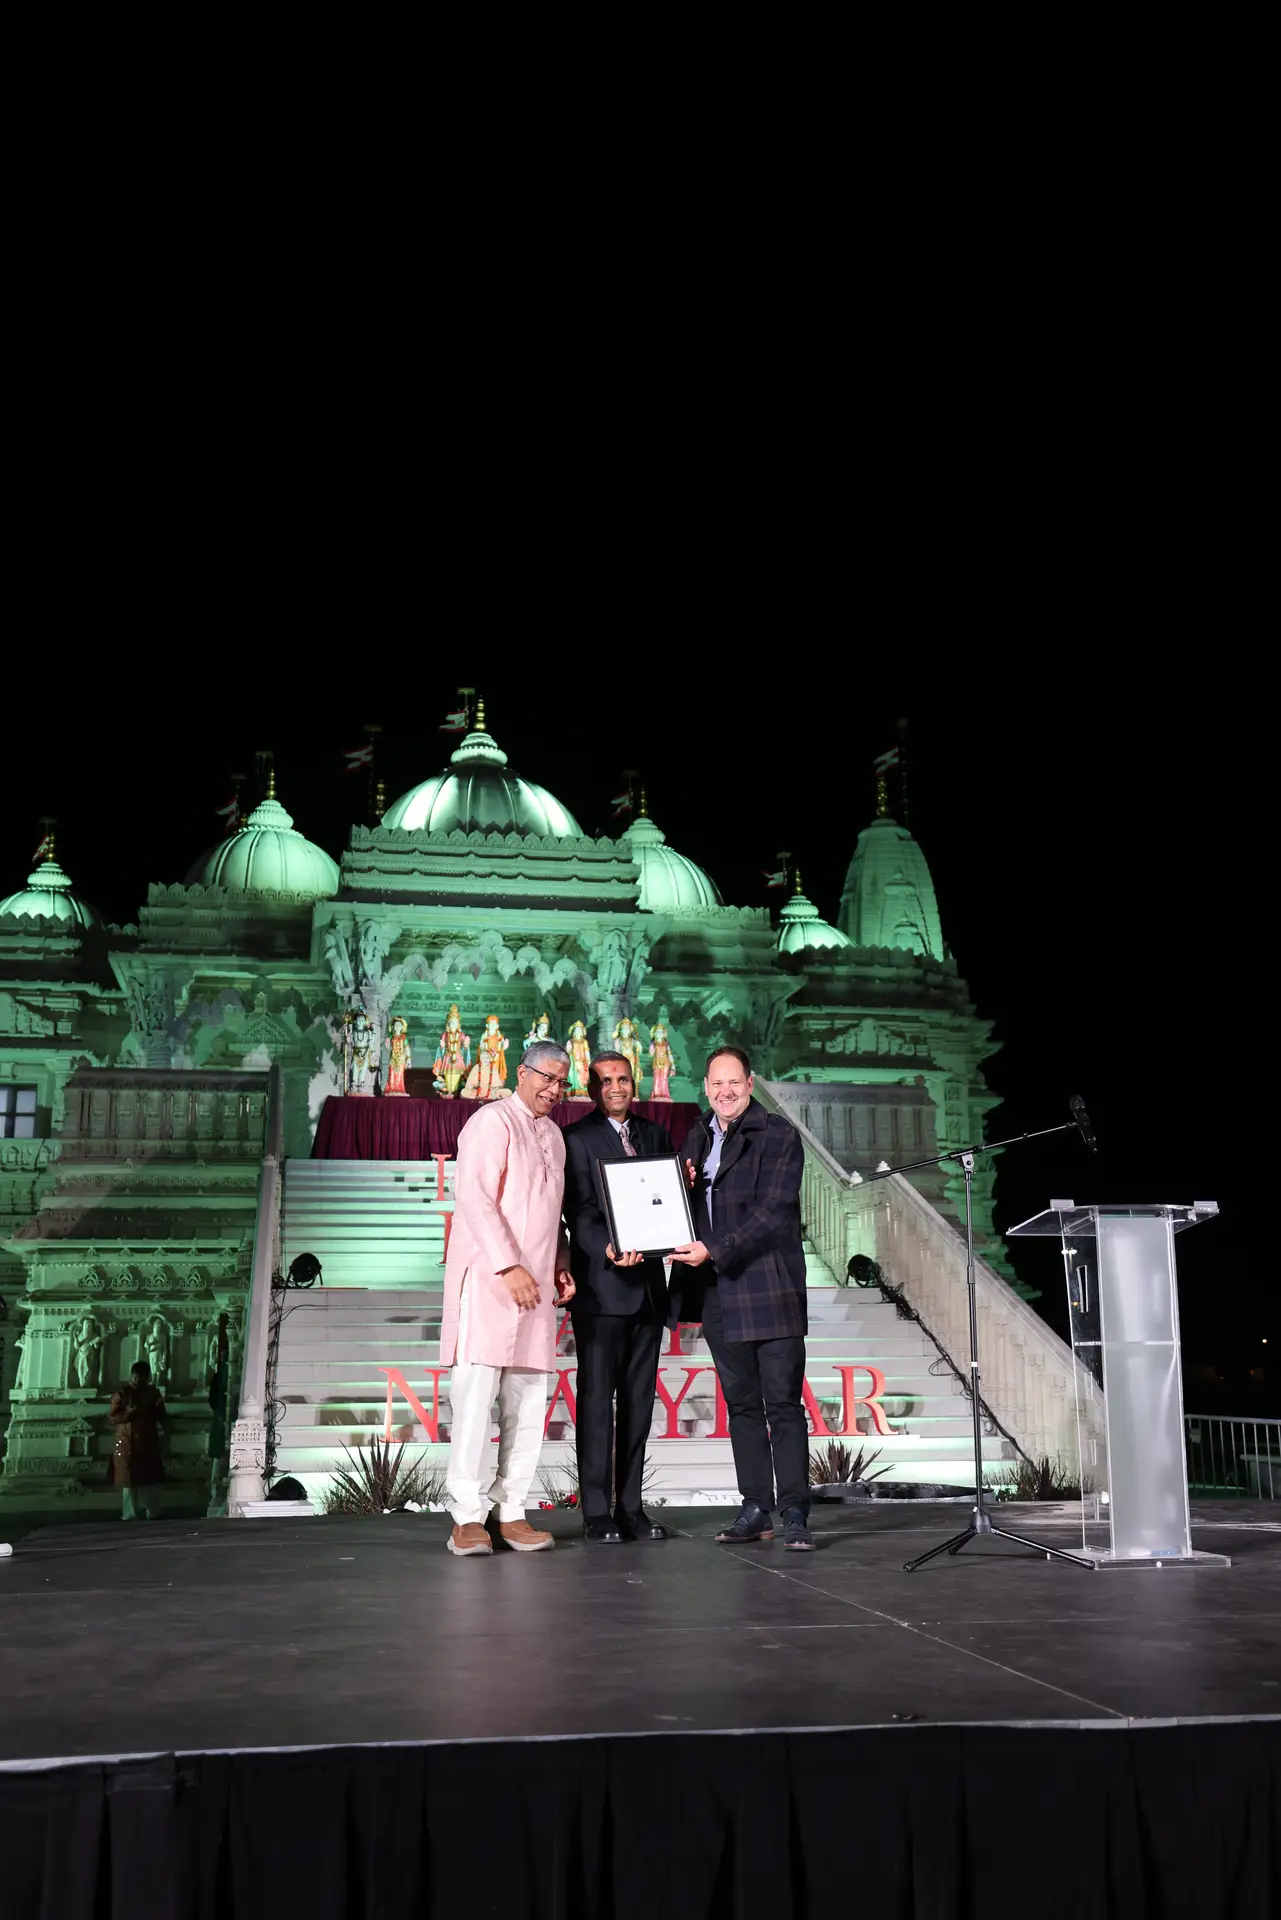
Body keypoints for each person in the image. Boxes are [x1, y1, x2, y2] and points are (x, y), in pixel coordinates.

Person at [669, 1045, 813, 1550]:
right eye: (716, 1084)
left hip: (769, 1288)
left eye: (734, 1083)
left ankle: (794, 1510)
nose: (725, 1092)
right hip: (717, 1293)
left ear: (749, 1084)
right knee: (742, 1407)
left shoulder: (776, 1135)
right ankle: (756, 1507)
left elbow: (773, 1211)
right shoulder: (694, 1138)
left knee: (783, 1408)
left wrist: (713, 1248)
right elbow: (678, 1208)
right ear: (705, 1088)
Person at [439, 1039, 577, 1555]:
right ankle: (467, 1516)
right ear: (521, 1073)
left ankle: (512, 1509)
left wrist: (561, 1263)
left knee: (528, 1401)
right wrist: (509, 1265)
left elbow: (552, 1212)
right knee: (475, 1400)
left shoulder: (556, 1138)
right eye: (546, 1077)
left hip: (537, 1288)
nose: (554, 1089)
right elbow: (473, 1198)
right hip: (493, 1283)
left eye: (562, 1082)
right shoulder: (491, 1122)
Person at [563, 1052, 674, 1543]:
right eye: (605, 1080)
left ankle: (632, 1508)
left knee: (638, 1405)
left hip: (648, 1290)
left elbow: (667, 1202)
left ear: (635, 1083)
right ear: (592, 1087)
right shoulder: (577, 1139)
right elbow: (578, 1212)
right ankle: (596, 1512)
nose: (616, 1087)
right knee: (595, 1404)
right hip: (601, 1291)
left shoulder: (655, 1135)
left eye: (623, 1079)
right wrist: (606, 1248)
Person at [108, 1360, 169, 1521]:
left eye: (140, 1378)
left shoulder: (152, 1393)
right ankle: (130, 1514)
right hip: (127, 1442)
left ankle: (153, 1512)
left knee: (149, 1480)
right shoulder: (122, 1394)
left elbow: (161, 1414)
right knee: (129, 1482)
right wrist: (127, 1413)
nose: (137, 1380)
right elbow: (112, 1418)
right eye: (135, 1377)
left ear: (147, 1378)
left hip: (147, 1440)